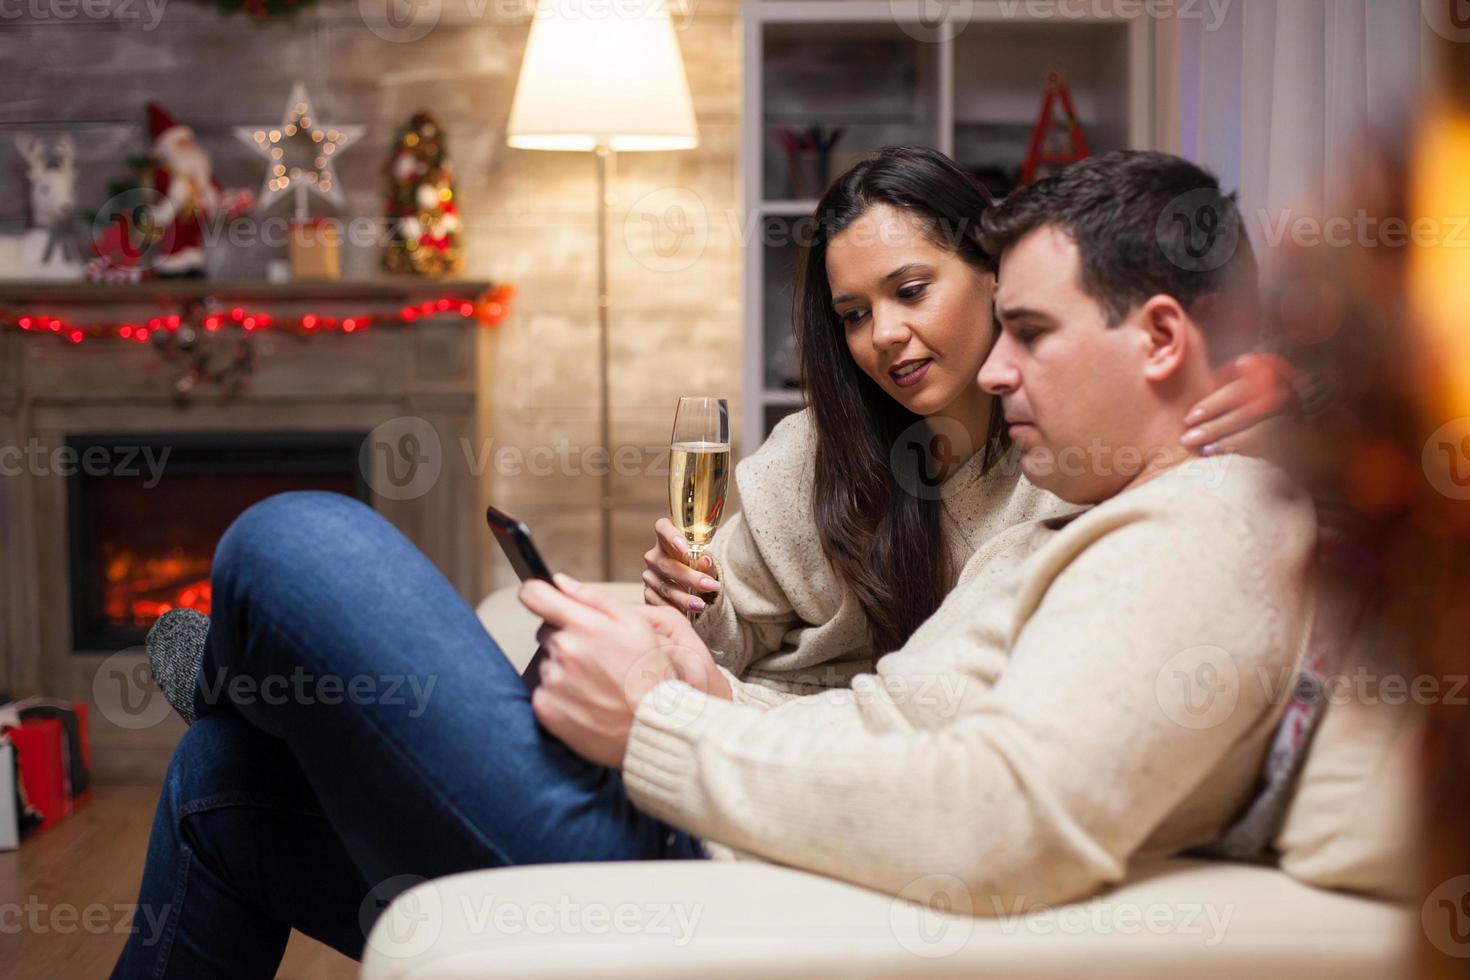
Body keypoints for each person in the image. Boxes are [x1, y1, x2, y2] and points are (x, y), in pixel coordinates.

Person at [113, 150, 1312, 978]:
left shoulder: (1184, 513)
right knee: (226, 781)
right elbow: (867, 701)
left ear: (1161, 340)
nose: (986, 364)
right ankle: (247, 686)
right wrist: (693, 658)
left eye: (1020, 329)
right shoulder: (1061, 486)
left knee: (294, 542)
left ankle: (239, 665)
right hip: (718, 798)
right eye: (855, 313)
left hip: (711, 834)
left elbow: (987, 807)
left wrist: (674, 722)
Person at [643, 146, 1293, 705]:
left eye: (910, 290)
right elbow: (726, 637)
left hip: (807, 744)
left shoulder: (1074, 461)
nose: (885, 335)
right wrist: (692, 602)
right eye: (853, 315)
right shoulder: (817, 452)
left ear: (994, 278)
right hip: (771, 724)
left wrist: (1287, 408)